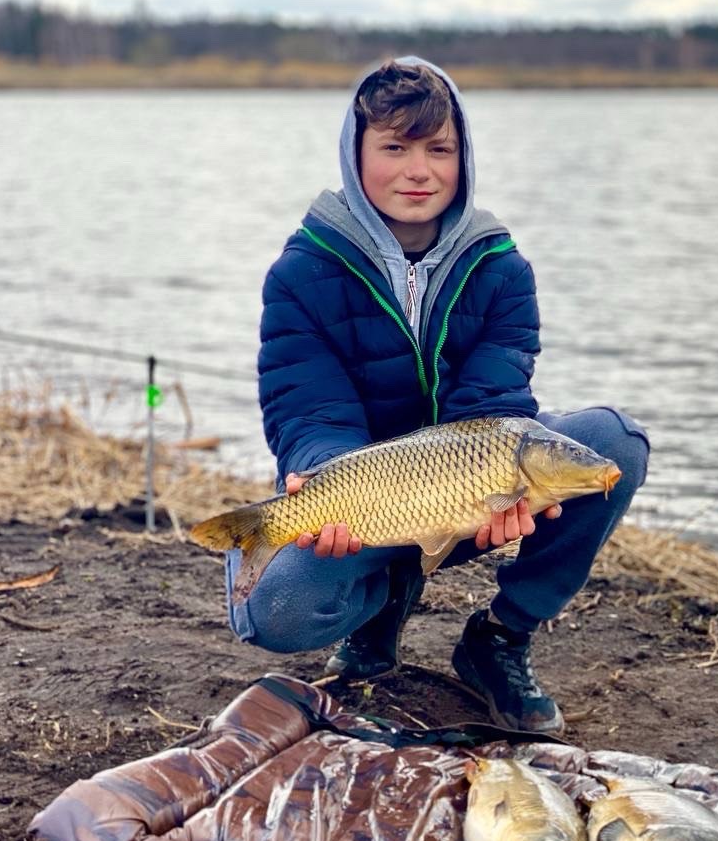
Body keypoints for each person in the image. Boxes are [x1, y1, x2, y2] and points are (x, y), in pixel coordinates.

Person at [225, 56, 649, 734]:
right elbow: (308, 409)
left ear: (464, 157)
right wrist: (322, 478)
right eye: (394, 147)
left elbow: (491, 410)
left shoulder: (502, 270)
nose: (418, 171)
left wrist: (503, 495)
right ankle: (377, 611)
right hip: (361, 497)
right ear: (354, 154)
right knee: (273, 610)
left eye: (438, 149)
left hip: (467, 491)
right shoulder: (302, 272)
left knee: (613, 445)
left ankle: (500, 640)